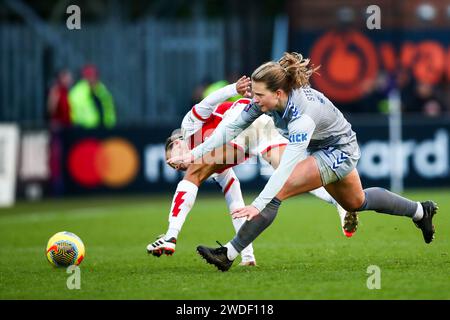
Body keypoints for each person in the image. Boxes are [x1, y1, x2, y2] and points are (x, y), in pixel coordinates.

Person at [168, 52, 439, 272]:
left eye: (259, 95)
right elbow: (229, 130)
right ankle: (420, 211)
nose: (254, 99)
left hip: (339, 150)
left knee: (278, 192)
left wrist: (258, 204)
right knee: (357, 202)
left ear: (278, 93)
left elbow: (286, 167)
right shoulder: (267, 101)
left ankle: (228, 254)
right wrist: (193, 155)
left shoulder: (302, 117)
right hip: (326, 146)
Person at [148, 76, 355, 266]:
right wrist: (248, 255)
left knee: (194, 173)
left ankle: (170, 235)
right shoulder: (213, 166)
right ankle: (340, 203)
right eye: (174, 164)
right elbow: (234, 198)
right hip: (262, 129)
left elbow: (208, 102)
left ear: (177, 141)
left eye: (173, 155)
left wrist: (233, 88)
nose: (177, 162)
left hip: (243, 117)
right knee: (292, 177)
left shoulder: (188, 127)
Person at [69, 64, 116, 129]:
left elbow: (109, 109)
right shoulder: (77, 93)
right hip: (84, 130)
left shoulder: (102, 89)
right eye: (89, 76)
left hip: (104, 128)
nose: (92, 78)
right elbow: (74, 113)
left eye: (94, 75)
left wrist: (110, 124)